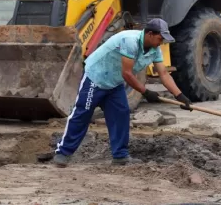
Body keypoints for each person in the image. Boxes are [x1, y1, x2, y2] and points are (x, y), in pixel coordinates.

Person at [53, 18, 193, 167]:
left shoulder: (155, 49)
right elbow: (127, 73)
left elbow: (164, 74)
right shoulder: (130, 41)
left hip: (114, 83)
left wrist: (180, 96)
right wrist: (146, 92)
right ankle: (63, 152)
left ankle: (120, 155)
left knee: (121, 114)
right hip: (96, 78)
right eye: (160, 38)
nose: (162, 42)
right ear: (150, 34)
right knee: (82, 114)